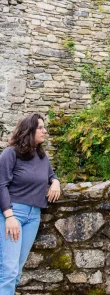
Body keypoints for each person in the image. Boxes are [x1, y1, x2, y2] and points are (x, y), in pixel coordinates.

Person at [0, 113, 61, 294]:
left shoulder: (41, 156)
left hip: (33, 216)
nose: (45, 131)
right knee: (9, 270)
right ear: (29, 130)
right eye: (40, 127)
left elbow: (51, 175)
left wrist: (55, 182)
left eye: (44, 127)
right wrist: (9, 216)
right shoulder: (11, 153)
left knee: (17, 271)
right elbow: (1, 184)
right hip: (13, 214)